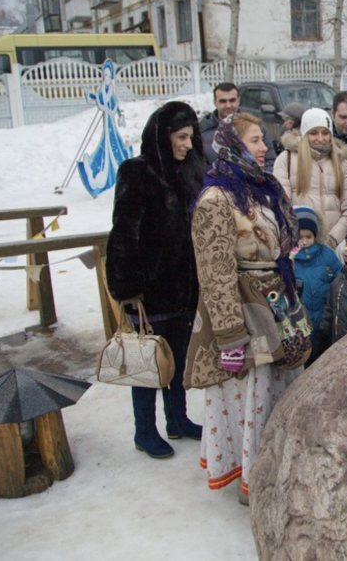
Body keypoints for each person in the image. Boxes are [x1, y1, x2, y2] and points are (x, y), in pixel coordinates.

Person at [185, 112, 303, 505]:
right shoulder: (216, 199)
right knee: (251, 400)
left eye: (263, 140)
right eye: (255, 140)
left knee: (275, 398)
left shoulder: (259, 189)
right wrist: (230, 336)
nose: (264, 148)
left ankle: (276, 470)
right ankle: (254, 485)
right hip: (245, 315)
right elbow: (214, 274)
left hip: (274, 305)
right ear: (233, 145)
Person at [106, 101, 206, 459]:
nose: (188, 145)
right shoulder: (137, 171)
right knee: (147, 362)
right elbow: (123, 232)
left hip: (182, 287)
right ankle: (144, 431)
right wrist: (128, 286)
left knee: (176, 357)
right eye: (181, 137)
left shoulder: (188, 172)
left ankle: (177, 419)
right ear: (162, 137)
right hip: (149, 290)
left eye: (191, 137)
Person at [274, 108, 347, 247]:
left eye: (325, 133)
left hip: (333, 246)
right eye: (313, 133)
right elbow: (282, 203)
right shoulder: (286, 159)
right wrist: (301, 236)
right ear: (304, 133)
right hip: (300, 243)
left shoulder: (341, 162)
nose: (320, 138)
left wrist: (333, 239)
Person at [292, 206, 341, 368]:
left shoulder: (327, 255)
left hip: (323, 321)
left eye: (309, 236)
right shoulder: (288, 259)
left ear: (316, 235)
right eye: (300, 237)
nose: (304, 242)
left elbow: (339, 280)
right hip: (299, 325)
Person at [200, 82, 277, 167]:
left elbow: (271, 162)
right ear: (215, 102)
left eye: (232, 100)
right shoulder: (203, 130)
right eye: (223, 101)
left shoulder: (255, 127)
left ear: (238, 100)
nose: (228, 105)